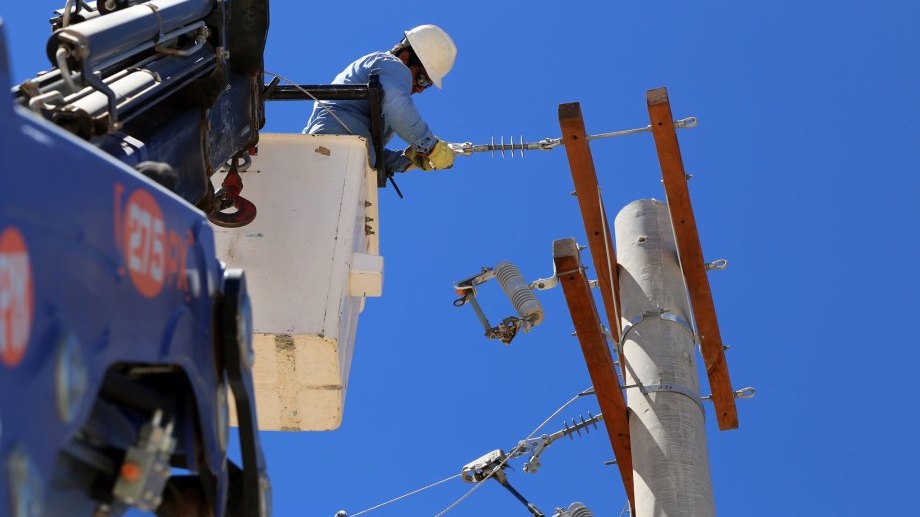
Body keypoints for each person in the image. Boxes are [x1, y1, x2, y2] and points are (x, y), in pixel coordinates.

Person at [303, 24, 457, 173]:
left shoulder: (384, 88)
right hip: (330, 149)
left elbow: (370, 149)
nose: (421, 89)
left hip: (330, 150)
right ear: (405, 58)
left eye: (427, 85)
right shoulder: (393, 65)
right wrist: (430, 146)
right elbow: (397, 109)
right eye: (421, 79)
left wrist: (408, 160)